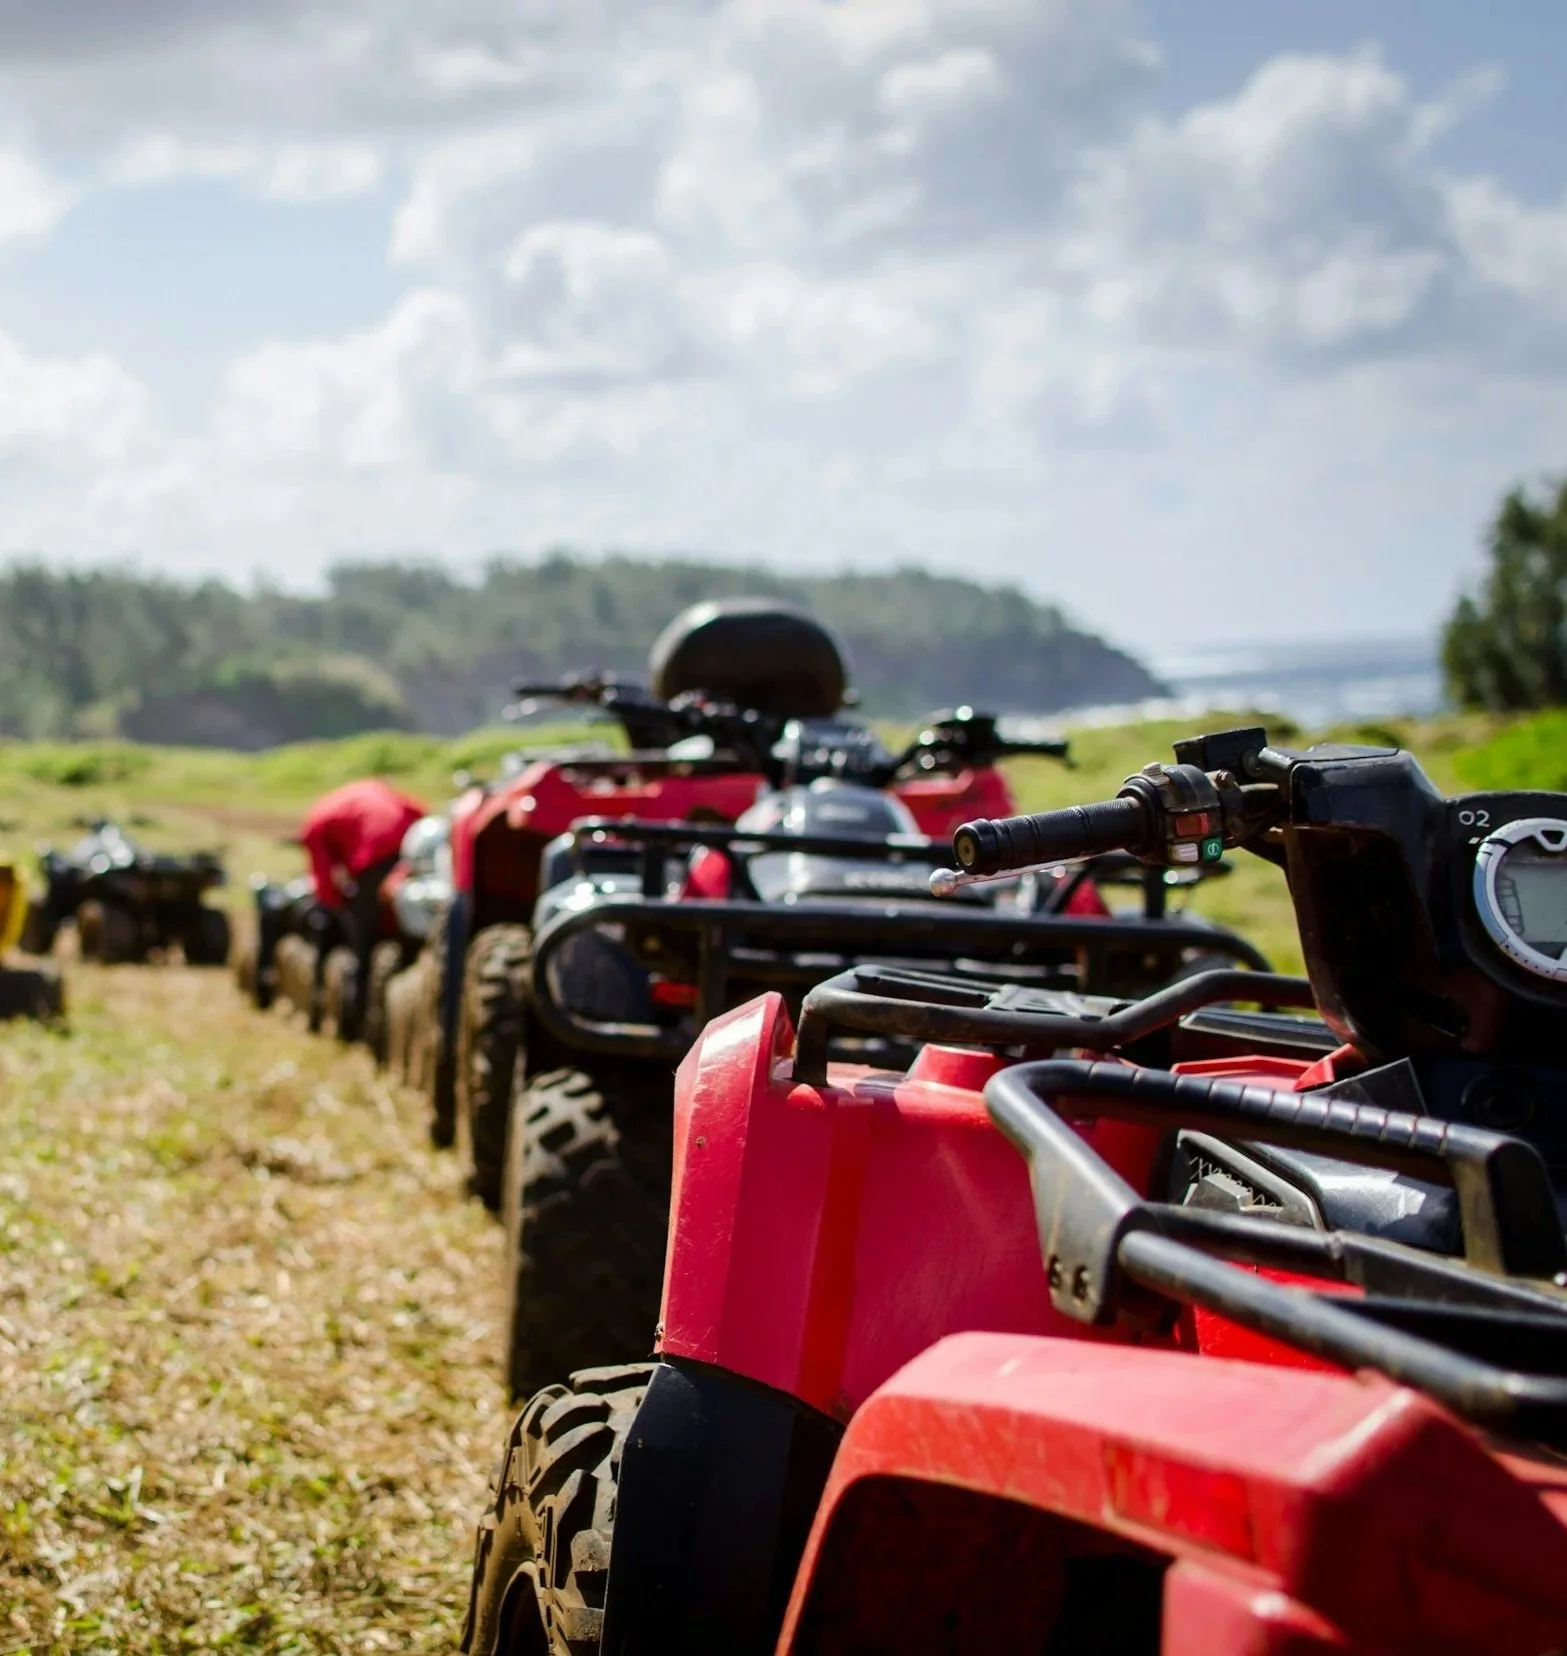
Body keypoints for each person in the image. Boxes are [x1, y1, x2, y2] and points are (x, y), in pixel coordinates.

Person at [299, 779, 427, 1039]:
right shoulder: (384, 792)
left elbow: (323, 881)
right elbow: (423, 817)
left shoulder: (318, 818)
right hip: (411, 858)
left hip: (375, 862)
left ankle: (357, 1024)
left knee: (363, 950)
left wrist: (341, 911)